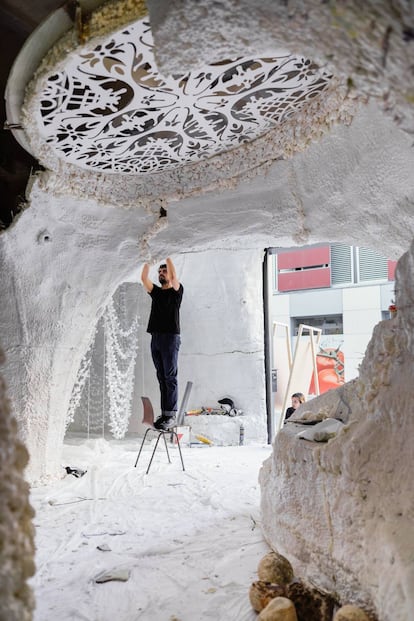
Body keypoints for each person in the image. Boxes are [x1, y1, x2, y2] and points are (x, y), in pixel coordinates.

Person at [141, 257, 184, 430]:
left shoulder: (176, 292)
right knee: (161, 377)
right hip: (156, 338)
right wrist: (149, 261)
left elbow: (174, 279)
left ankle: (171, 414)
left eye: (163, 271)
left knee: (170, 377)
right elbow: (144, 279)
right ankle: (164, 413)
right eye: (159, 271)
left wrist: (167, 255)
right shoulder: (156, 293)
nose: (161, 273)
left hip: (170, 338)